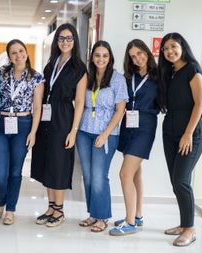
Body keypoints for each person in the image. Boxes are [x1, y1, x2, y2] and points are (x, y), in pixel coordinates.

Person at [31, 23, 87, 227]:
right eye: (61, 38)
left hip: (64, 118)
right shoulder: (51, 63)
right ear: (57, 41)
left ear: (75, 41)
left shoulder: (79, 67)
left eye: (69, 38)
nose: (65, 42)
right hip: (47, 116)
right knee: (47, 160)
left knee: (59, 163)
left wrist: (73, 130)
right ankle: (51, 207)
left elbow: (80, 102)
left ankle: (60, 211)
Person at [157, 33, 202, 246]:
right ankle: (183, 224)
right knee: (176, 182)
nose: (170, 51)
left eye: (173, 46)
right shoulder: (170, 72)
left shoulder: (193, 70)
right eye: (165, 49)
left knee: (181, 181)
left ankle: (191, 229)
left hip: (190, 135)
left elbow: (199, 104)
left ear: (182, 46)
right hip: (169, 132)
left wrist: (187, 134)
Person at [0, 39, 44, 225]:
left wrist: (34, 132)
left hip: (23, 124)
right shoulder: (1, 74)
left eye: (21, 51)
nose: (18, 55)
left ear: (26, 53)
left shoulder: (36, 77)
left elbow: (37, 107)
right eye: (14, 53)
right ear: (9, 57)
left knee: (15, 171)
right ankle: (0, 201)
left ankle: (10, 208)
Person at [76, 41, 128, 233]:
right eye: (97, 55)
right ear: (92, 57)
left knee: (99, 176)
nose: (101, 59)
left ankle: (103, 216)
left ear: (110, 58)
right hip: (84, 131)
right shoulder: (87, 76)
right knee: (88, 176)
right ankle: (93, 214)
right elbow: (80, 102)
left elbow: (120, 110)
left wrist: (105, 134)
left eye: (105, 55)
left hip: (106, 133)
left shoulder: (117, 79)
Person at [109, 39, 159, 236]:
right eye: (132, 56)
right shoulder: (127, 77)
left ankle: (129, 223)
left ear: (146, 52)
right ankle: (137, 215)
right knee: (136, 172)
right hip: (128, 125)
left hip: (145, 127)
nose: (137, 58)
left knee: (125, 174)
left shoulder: (159, 76)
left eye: (140, 53)